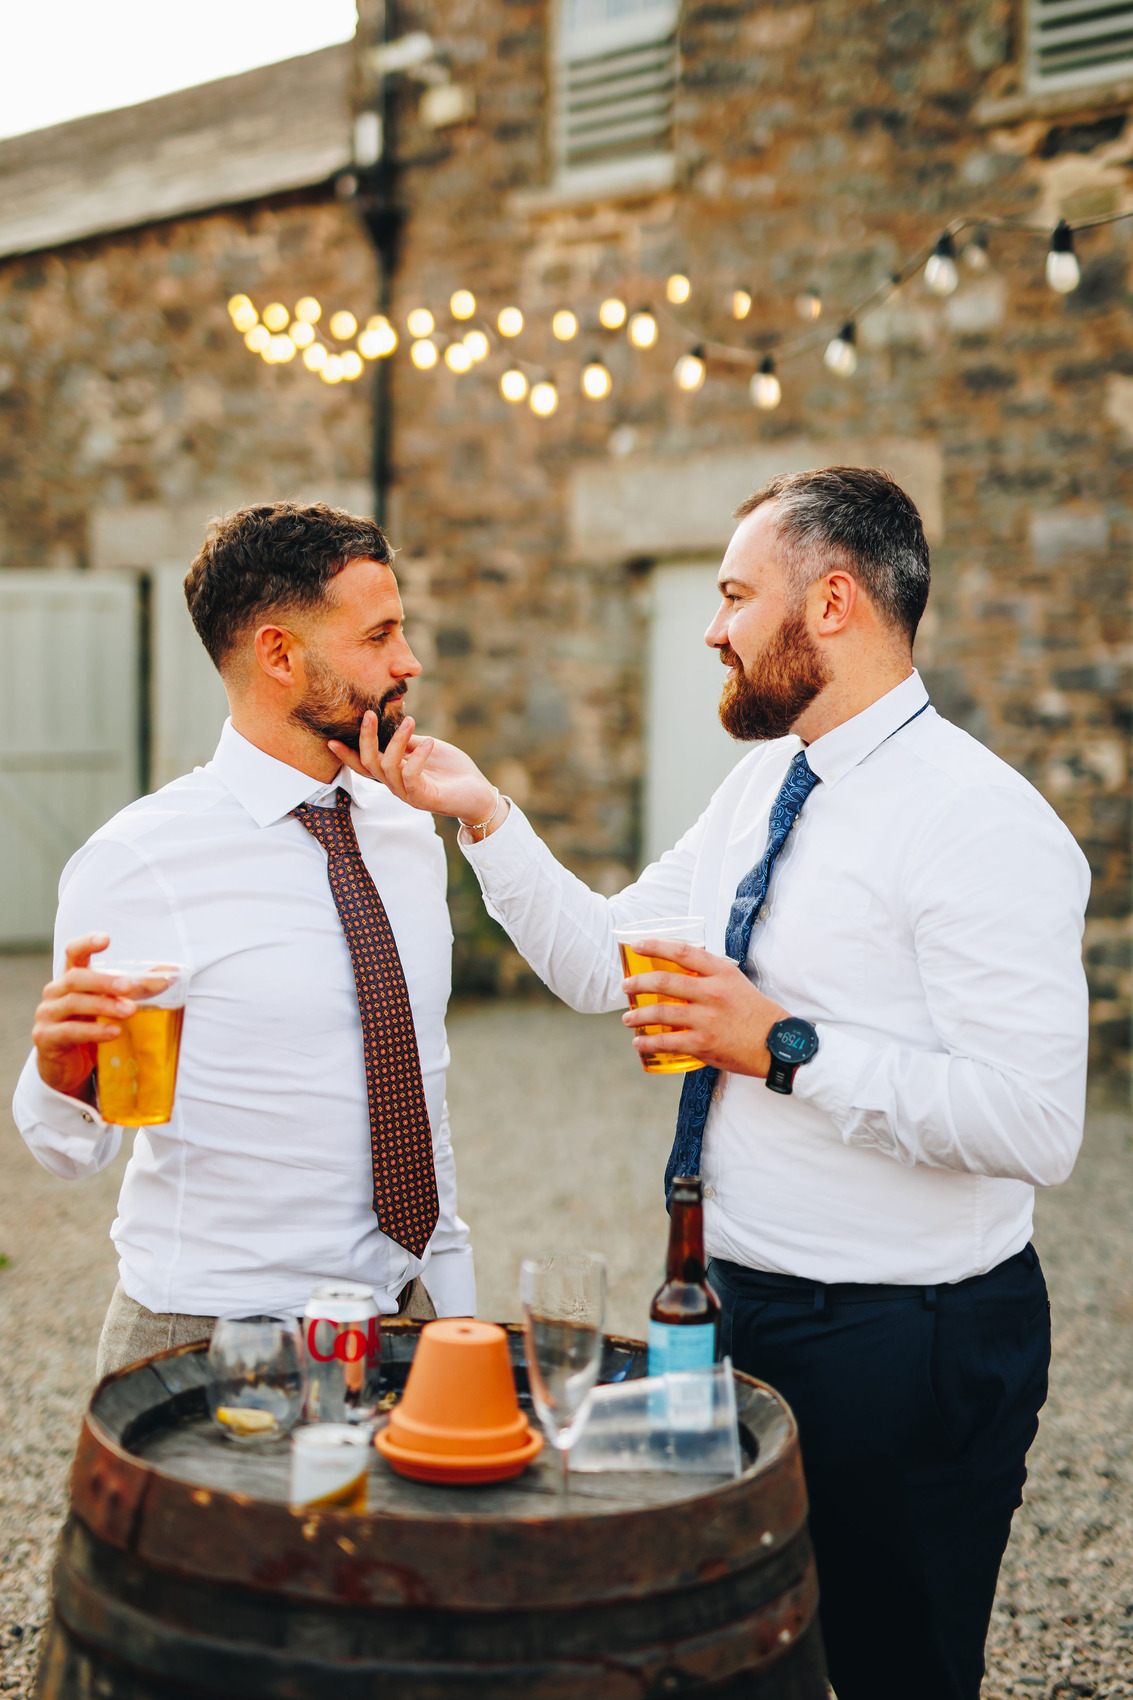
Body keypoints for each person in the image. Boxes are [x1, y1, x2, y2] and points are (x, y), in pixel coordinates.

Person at [332, 467, 1090, 1700]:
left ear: (831, 602)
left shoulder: (981, 823)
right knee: (739, 1652)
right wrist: (481, 817)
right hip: (728, 1306)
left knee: (897, 1665)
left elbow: (1037, 1121)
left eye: (735, 594)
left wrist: (778, 1044)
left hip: (907, 1343)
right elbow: (600, 961)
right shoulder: (760, 784)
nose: (711, 624)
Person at [14, 502, 474, 1380]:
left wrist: (453, 1309)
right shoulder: (139, 861)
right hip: (210, 1338)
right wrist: (59, 1071)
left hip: (404, 1328)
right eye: (379, 635)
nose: (408, 662)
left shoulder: (404, 830)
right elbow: (68, 1149)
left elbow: (420, 1092)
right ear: (278, 655)